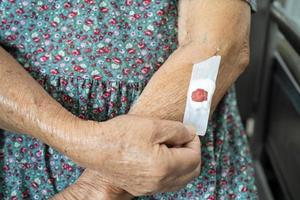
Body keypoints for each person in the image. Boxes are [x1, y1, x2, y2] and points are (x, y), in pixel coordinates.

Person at [0, 0, 257, 199]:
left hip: (181, 164)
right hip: (24, 153)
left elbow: (220, 44)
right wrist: (74, 135)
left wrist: (97, 189)